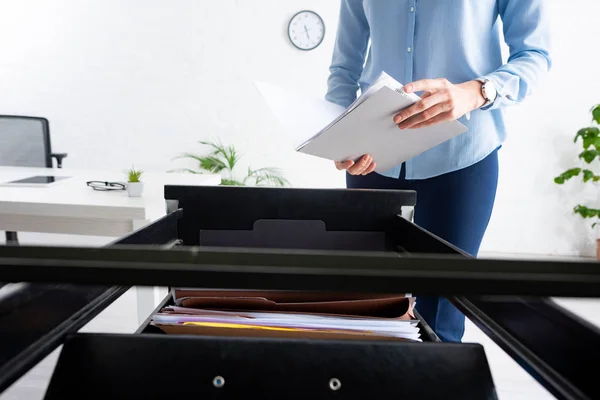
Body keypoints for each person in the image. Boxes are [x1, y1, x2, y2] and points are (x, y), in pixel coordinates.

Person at [325, 0, 552, 342]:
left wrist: (475, 91)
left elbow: (536, 53)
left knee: (441, 321)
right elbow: (344, 69)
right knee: (366, 308)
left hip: (463, 159)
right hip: (371, 158)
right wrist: (339, 136)